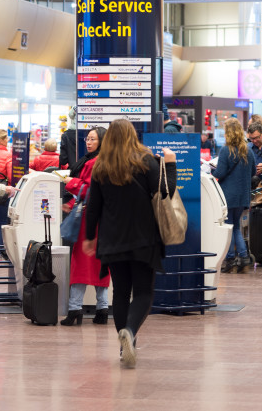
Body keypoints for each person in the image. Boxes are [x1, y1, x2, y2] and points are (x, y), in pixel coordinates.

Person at [83, 119, 177, 368]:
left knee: (122, 292)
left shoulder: (101, 166)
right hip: (143, 237)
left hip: (113, 240)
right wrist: (171, 163)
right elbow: (165, 191)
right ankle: (130, 332)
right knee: (144, 292)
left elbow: (93, 208)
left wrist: (90, 237)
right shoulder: (145, 161)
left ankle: (127, 349)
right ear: (132, 136)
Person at [59, 126, 110, 326]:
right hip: (102, 219)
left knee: (80, 262)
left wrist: (70, 181)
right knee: (100, 264)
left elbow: (89, 190)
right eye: (87, 139)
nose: (88, 142)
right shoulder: (106, 161)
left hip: (88, 220)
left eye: (93, 139)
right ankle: (102, 310)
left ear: (102, 142)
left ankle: (74, 310)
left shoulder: (93, 162)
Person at [213, 118, 255, 273]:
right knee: (236, 226)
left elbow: (220, 173)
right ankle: (244, 257)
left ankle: (230, 259)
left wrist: (212, 170)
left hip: (228, 196)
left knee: (228, 227)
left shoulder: (226, 150)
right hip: (243, 196)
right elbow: (252, 172)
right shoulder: (248, 150)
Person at [59, 106, 78, 171]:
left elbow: (63, 160)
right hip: (89, 171)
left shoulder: (66, 136)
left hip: (74, 171)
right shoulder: (92, 134)